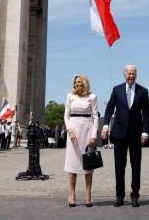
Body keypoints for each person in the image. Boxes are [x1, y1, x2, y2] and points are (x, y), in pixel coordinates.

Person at [102, 65, 149, 207]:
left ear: (136, 75)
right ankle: (119, 196)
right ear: (124, 74)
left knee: (136, 166)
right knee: (119, 166)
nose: (131, 76)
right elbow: (109, 109)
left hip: (136, 134)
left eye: (133, 74)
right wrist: (105, 126)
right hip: (119, 134)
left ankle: (135, 195)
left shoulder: (143, 91)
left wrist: (145, 131)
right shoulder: (117, 90)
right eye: (129, 74)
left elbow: (146, 114)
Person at [64, 74, 99, 207]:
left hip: (87, 131)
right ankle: (72, 194)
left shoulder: (92, 97)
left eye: (79, 82)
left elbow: (95, 117)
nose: (77, 84)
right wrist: (70, 131)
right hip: (73, 132)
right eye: (75, 82)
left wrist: (93, 136)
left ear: (85, 83)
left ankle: (88, 194)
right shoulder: (70, 96)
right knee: (72, 165)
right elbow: (66, 116)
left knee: (88, 164)